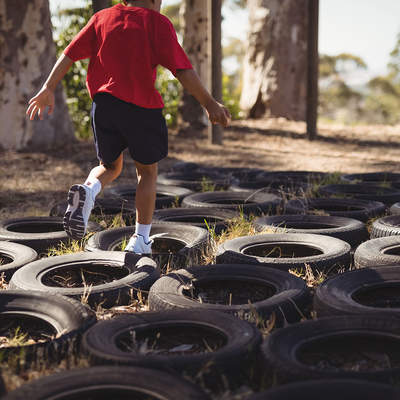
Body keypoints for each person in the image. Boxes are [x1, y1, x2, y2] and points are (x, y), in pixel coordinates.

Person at [26, 0, 231, 254]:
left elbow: (69, 53)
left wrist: (48, 87)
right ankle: (140, 239)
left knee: (109, 166)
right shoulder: (157, 23)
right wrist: (209, 103)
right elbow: (183, 70)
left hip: (104, 105)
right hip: (141, 107)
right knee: (146, 173)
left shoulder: (102, 18)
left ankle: (88, 191)